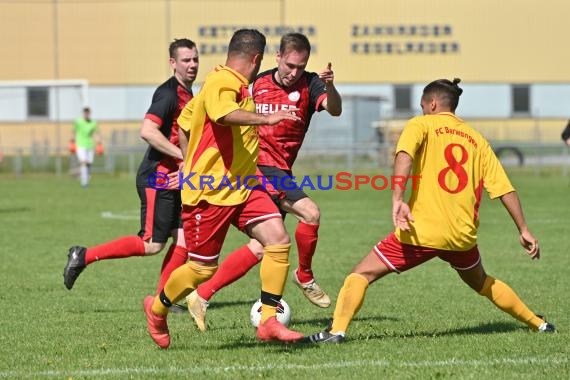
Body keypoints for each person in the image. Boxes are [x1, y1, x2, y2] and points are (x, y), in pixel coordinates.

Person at [305, 78, 556, 344]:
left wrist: (398, 197)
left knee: (360, 274)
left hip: (420, 231)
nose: (422, 109)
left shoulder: (421, 124)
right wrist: (524, 229)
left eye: (423, 105)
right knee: (482, 281)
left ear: (432, 103)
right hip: (461, 236)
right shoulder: (477, 139)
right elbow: (505, 189)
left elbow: (404, 154)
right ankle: (538, 324)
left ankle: (336, 331)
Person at [143, 28, 305, 349]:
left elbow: (188, 121)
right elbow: (222, 114)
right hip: (211, 193)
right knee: (201, 269)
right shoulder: (223, 82)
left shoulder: (225, 82)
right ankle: (157, 309)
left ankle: (269, 321)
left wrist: (188, 163)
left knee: (277, 241)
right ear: (257, 59)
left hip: (243, 184)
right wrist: (266, 120)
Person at [185, 32, 342, 332]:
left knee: (261, 247)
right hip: (258, 167)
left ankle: (201, 296)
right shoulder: (256, 83)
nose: (293, 72)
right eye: (290, 64)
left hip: (282, 170)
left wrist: (331, 86)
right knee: (310, 213)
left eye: (300, 66)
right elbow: (223, 111)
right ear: (278, 58)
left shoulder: (311, 84)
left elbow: (334, 109)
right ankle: (304, 276)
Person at [63, 38, 199, 298]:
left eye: (195, 59)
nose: (192, 65)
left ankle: (162, 301)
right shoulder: (168, 93)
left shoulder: (188, 93)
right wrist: (185, 158)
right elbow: (147, 131)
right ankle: (83, 255)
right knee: (152, 244)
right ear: (173, 63)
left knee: (184, 240)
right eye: (186, 60)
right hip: (157, 177)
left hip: (176, 178)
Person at [72, 107, 102, 187]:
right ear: (83, 113)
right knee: (84, 162)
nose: (86, 114)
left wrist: (99, 143)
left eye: (88, 113)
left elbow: (96, 133)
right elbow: (74, 132)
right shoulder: (78, 122)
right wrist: (72, 142)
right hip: (80, 144)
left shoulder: (93, 123)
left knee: (89, 163)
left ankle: (84, 178)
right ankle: (84, 182)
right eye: (85, 113)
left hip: (90, 145)